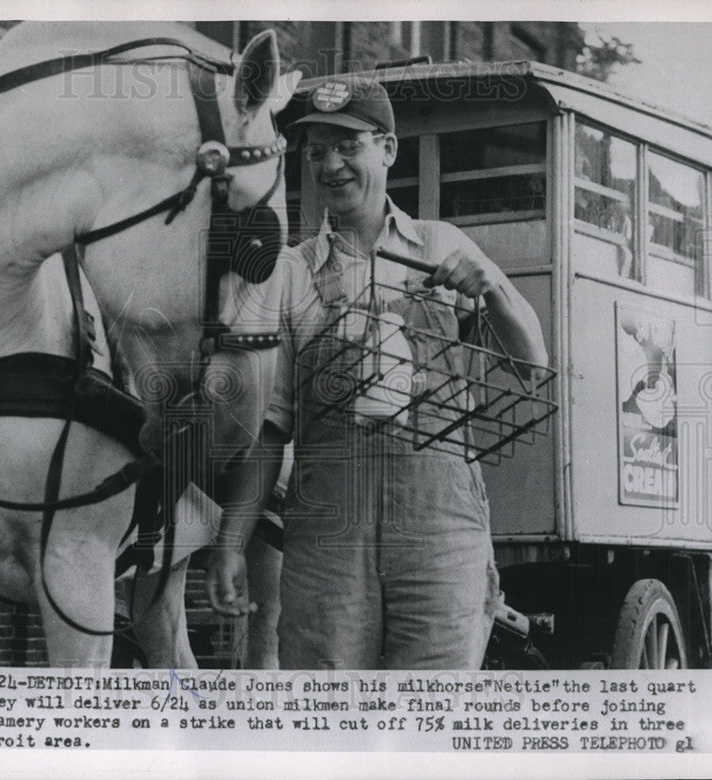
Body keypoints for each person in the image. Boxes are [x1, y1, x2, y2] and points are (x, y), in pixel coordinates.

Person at [205, 76, 548, 670]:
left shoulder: (441, 245)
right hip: (328, 545)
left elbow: (531, 365)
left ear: (388, 149)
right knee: (331, 723)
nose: (330, 165)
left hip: (440, 537)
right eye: (316, 152)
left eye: (348, 146)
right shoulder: (290, 273)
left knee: (431, 723)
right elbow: (270, 430)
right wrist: (231, 544)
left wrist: (490, 289)